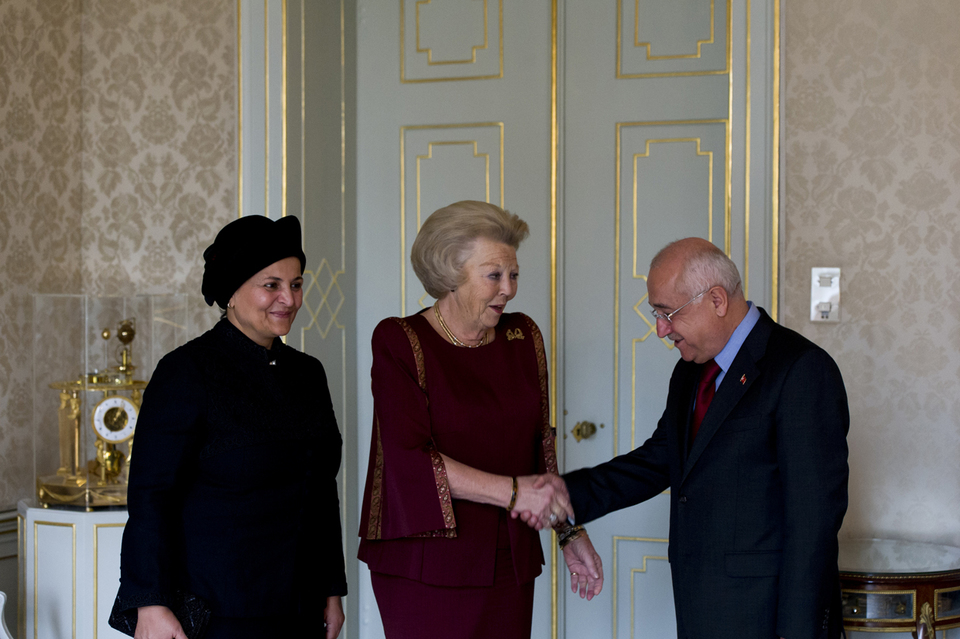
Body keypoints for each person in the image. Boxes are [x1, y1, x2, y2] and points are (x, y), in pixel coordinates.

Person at [532, 237, 849, 639]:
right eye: (657, 314)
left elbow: (813, 520)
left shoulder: (800, 369)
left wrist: (798, 632)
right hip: (700, 604)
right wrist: (563, 495)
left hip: (766, 615)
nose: (661, 330)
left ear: (716, 300)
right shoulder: (690, 370)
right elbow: (660, 459)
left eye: (668, 313)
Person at [358, 201, 603, 639]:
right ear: (450, 273)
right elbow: (408, 458)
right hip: (426, 559)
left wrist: (568, 531)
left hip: (509, 557)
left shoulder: (522, 336)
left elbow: (540, 446)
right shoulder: (400, 340)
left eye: (514, 275)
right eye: (494, 275)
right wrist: (515, 494)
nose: (509, 289)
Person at [110, 216, 347, 639]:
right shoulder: (186, 372)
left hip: (300, 607)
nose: (289, 299)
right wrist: (150, 603)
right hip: (217, 612)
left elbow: (321, 494)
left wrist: (330, 590)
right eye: (271, 285)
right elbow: (152, 498)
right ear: (232, 293)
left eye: (296, 284)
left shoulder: (308, 374)